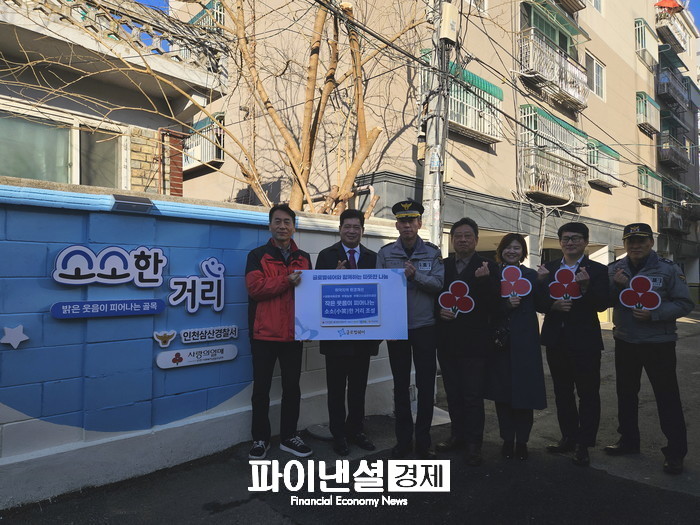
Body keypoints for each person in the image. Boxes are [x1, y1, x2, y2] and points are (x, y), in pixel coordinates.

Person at [604, 223, 693, 474]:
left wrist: (655, 314)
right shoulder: (615, 269)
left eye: (641, 241)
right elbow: (605, 301)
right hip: (626, 341)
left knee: (667, 397)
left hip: (659, 343)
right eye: (630, 241)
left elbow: (684, 303)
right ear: (624, 244)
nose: (635, 246)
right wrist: (617, 286)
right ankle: (629, 441)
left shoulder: (668, 269)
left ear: (651, 243)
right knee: (626, 394)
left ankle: (675, 452)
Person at [377, 199, 444, 459]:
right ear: (397, 225)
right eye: (402, 221)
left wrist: (416, 276)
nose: (407, 226)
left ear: (419, 223)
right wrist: (385, 326)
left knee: (426, 386)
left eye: (411, 221)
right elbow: (379, 290)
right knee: (401, 385)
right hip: (397, 329)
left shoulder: (432, 252)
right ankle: (403, 441)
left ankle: (423, 442)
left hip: (425, 327)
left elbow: (438, 284)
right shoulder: (385, 254)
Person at [245, 204, 313, 459]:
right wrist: (285, 280)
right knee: (261, 390)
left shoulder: (304, 257)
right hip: (263, 334)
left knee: (292, 389)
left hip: (294, 334)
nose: (282, 226)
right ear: (270, 226)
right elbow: (255, 289)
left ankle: (289, 436)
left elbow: (311, 293)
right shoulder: (257, 256)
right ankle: (260, 439)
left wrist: (332, 279)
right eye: (278, 221)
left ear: (294, 227)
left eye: (287, 222)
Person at [539, 222, 609, 467]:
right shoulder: (548, 269)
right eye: (566, 238)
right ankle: (568, 437)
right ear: (560, 242)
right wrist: (550, 302)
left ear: (585, 242)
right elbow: (537, 301)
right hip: (556, 340)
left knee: (588, 393)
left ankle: (584, 444)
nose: (570, 242)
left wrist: (586, 287)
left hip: (585, 342)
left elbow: (602, 304)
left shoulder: (598, 270)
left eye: (576, 238)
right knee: (562, 392)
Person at [435, 217, 500, 466]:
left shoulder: (488, 266)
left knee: (472, 396)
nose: (462, 240)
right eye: (458, 236)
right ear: (452, 240)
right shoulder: (442, 265)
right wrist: (438, 312)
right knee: (453, 393)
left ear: (476, 239)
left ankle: (474, 444)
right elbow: (432, 296)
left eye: (467, 236)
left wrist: (484, 281)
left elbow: (497, 305)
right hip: (447, 341)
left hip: (475, 343)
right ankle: (457, 436)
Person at [316, 209, 379, 456]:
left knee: (358, 388)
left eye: (356, 227)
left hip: (363, 338)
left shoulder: (373, 258)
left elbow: (380, 295)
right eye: (347, 226)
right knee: (335, 390)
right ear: (340, 229)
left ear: (362, 230)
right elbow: (315, 294)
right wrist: (332, 279)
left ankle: (356, 431)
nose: (351, 231)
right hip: (335, 337)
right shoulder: (326, 256)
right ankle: (339, 434)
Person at [486, 233, 547, 461]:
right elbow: (486, 308)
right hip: (500, 343)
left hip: (525, 342)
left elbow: (543, 306)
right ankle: (506, 439)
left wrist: (542, 283)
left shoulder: (531, 275)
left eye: (517, 248)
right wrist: (505, 306)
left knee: (525, 393)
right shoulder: (492, 274)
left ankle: (522, 441)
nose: (512, 251)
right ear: (501, 250)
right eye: (508, 247)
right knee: (502, 394)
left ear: (523, 252)